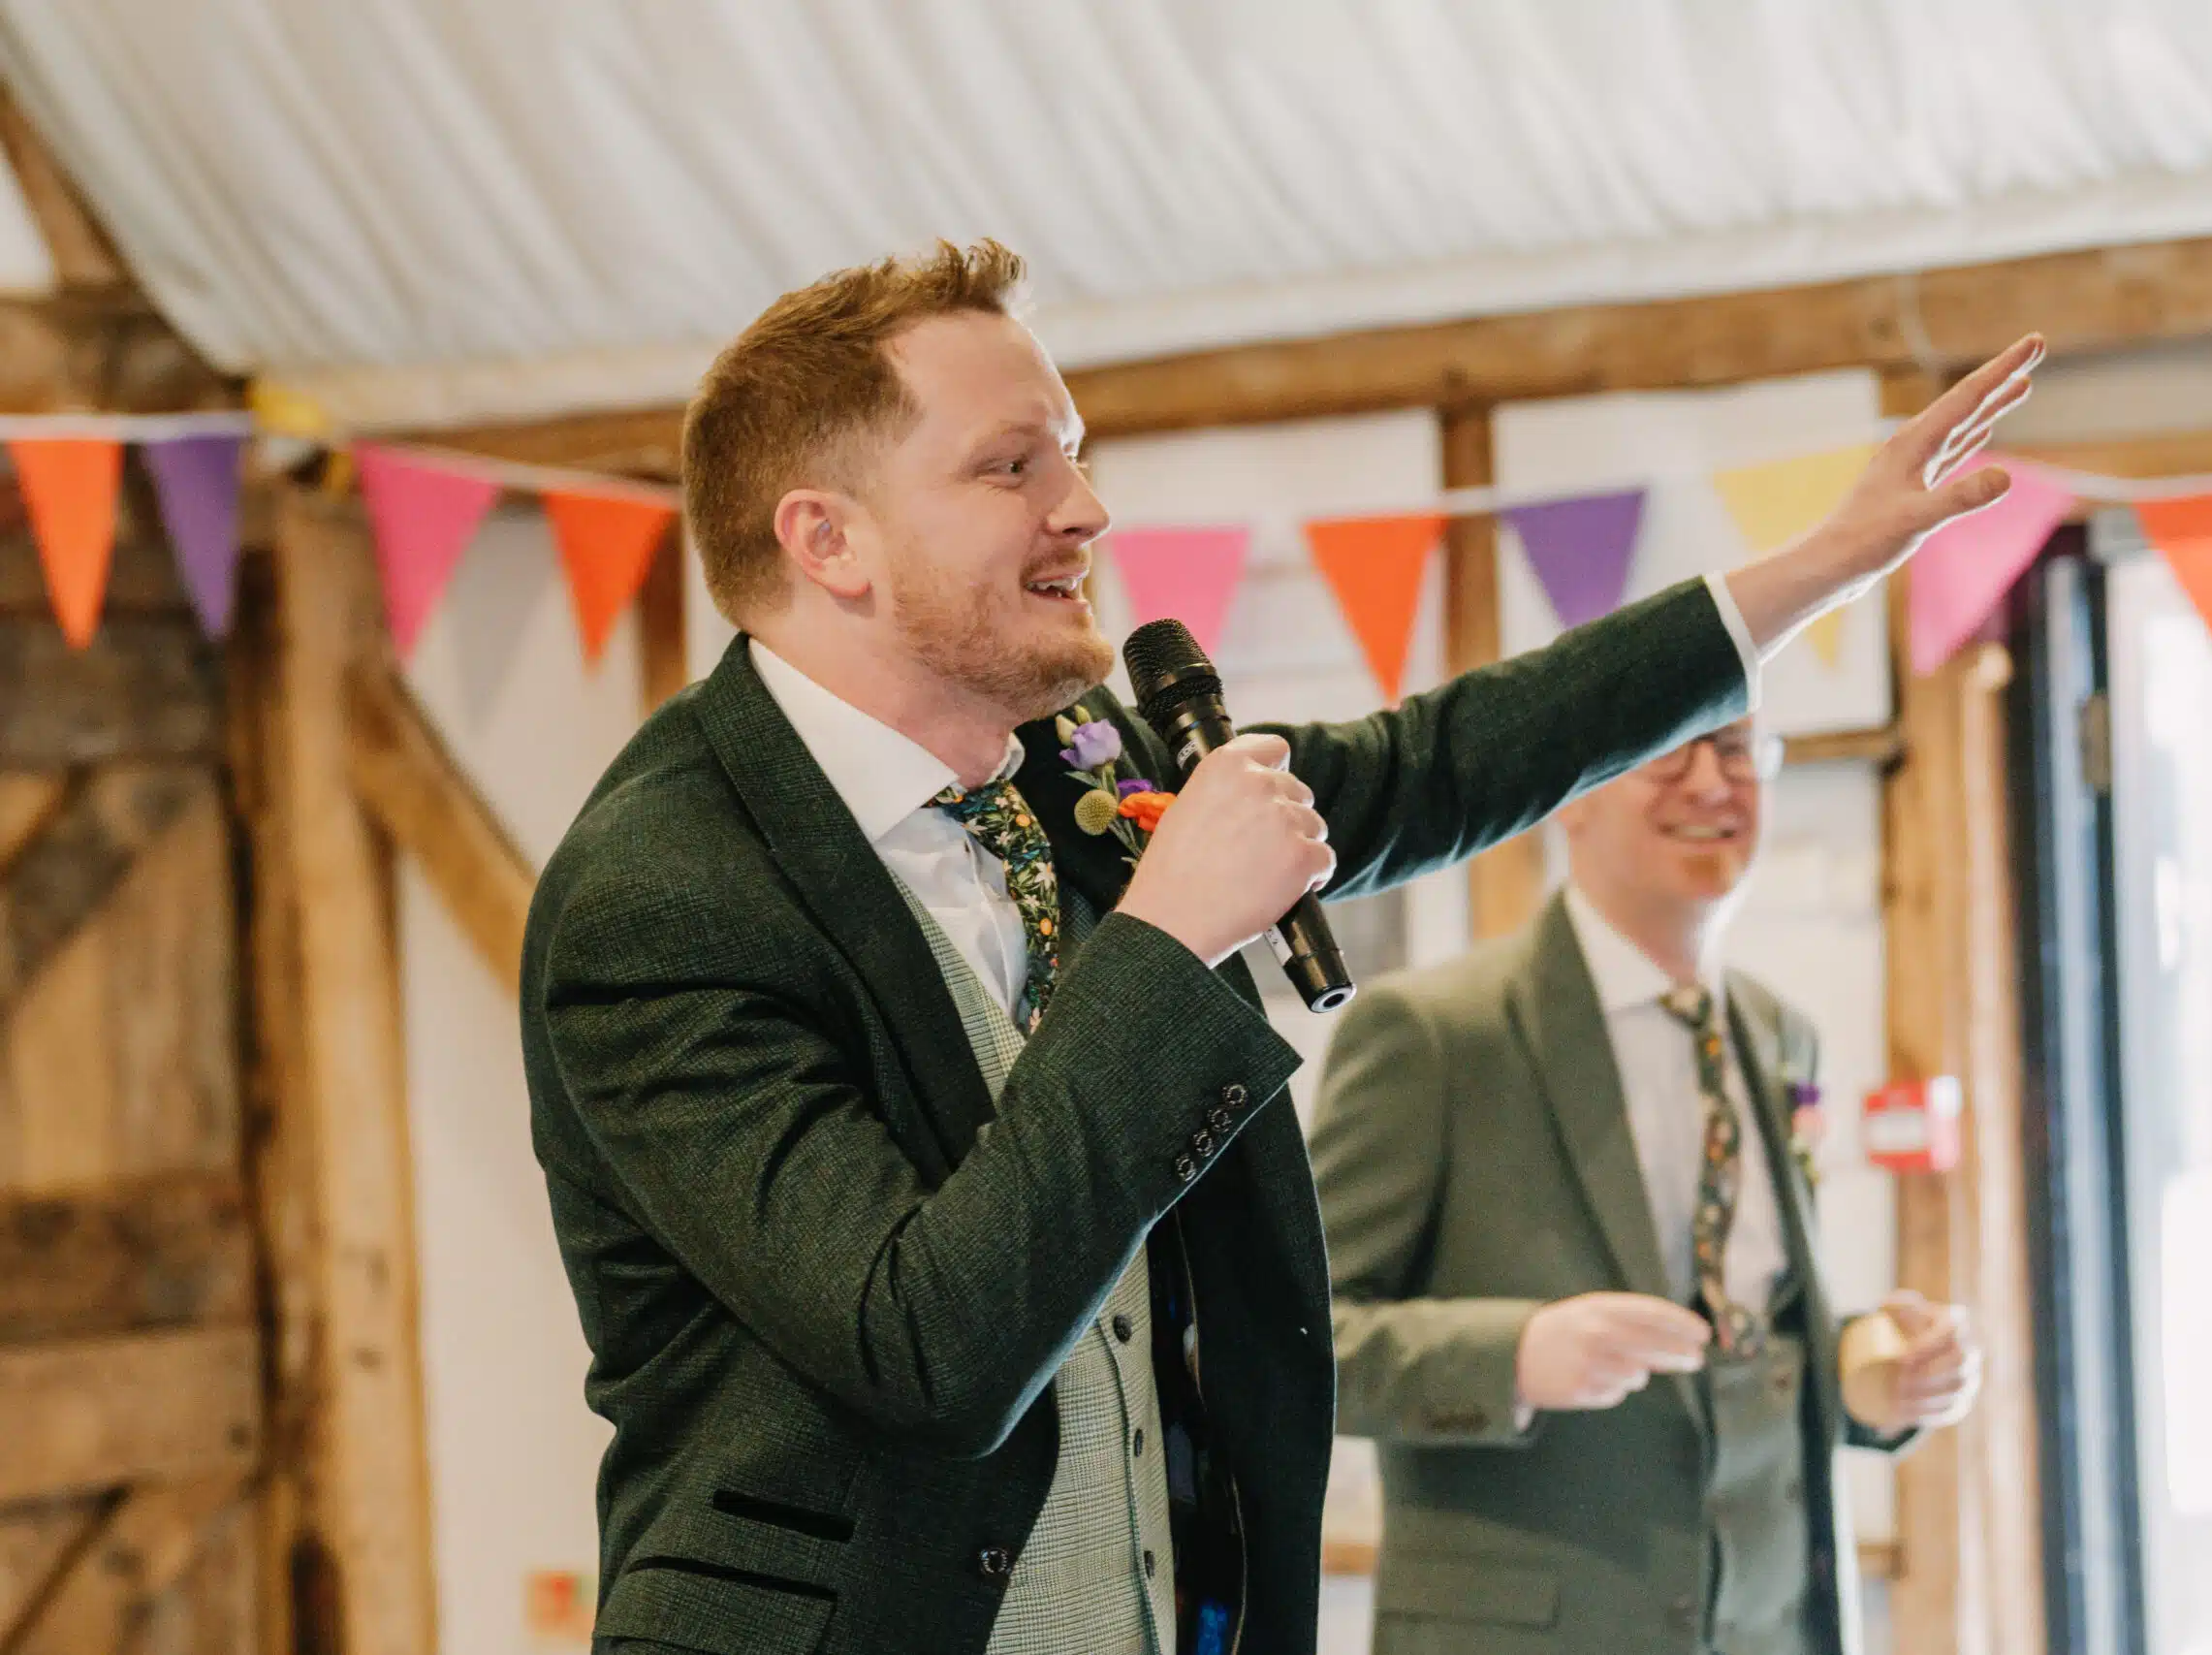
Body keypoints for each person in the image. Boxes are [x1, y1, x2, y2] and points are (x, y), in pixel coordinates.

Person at [518, 237, 2036, 1655]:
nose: (1086, 509)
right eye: (1010, 465)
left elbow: (1440, 761)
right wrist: (1172, 934)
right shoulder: (663, 893)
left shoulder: (1074, 765)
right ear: (826, 539)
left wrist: (1818, 566)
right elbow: (927, 1349)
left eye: (1078, 457)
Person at [1310, 718, 1984, 1655]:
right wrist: (1513, 1356)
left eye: (1742, 751)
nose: (1712, 783)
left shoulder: (1780, 1034)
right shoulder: (1433, 1035)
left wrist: (1870, 1370)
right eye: (1668, 748)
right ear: (1574, 790)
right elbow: (1295, 1343)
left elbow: (1742, 1322)